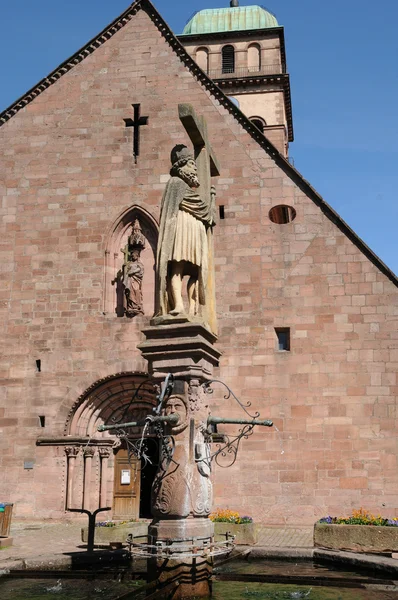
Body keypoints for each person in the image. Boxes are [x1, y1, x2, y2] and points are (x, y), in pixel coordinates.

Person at [156, 145, 215, 318]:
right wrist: (210, 204)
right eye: (191, 163)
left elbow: (203, 210)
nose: (195, 167)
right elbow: (201, 209)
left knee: (195, 272)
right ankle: (178, 305)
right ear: (181, 166)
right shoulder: (176, 183)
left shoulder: (186, 187)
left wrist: (211, 203)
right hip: (181, 232)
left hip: (194, 233)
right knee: (177, 268)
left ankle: (193, 309)